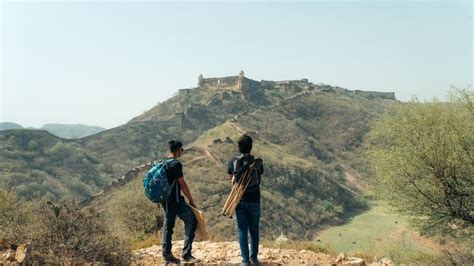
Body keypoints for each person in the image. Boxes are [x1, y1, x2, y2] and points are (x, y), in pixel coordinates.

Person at [161, 140, 201, 264]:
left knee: (168, 227)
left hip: (165, 201)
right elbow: (182, 184)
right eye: (181, 150)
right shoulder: (176, 164)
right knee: (191, 221)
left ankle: (167, 255)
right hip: (176, 200)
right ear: (178, 150)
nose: (181, 152)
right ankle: (186, 254)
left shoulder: (164, 162)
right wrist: (191, 200)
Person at [227, 135, 264, 265]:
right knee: (254, 229)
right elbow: (259, 180)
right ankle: (254, 258)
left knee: (242, 230)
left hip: (239, 199)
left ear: (238, 147)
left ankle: (245, 261)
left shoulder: (233, 161)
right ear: (251, 147)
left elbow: (231, 179)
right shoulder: (257, 162)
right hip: (255, 200)